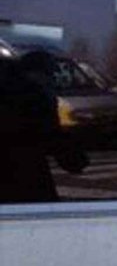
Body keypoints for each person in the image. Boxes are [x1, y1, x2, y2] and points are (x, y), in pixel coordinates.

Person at [0, 50, 88, 203]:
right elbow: (51, 136)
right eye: (52, 75)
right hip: (24, 175)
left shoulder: (13, 92)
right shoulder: (34, 97)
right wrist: (75, 160)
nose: (54, 81)